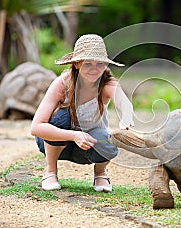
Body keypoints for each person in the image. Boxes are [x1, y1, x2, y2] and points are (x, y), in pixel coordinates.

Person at [31, 34, 134, 192]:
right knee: (62, 117)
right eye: (88, 64)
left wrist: (126, 118)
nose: (95, 69)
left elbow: (124, 103)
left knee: (108, 140)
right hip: (55, 143)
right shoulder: (62, 83)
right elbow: (36, 127)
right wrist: (74, 135)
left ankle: (101, 173)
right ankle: (50, 171)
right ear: (77, 64)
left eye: (100, 64)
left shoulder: (107, 83)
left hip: (88, 145)